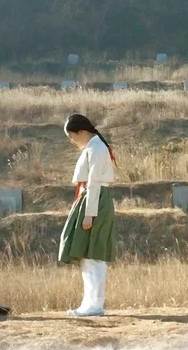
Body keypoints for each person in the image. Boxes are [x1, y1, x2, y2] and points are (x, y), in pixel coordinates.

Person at [58, 114, 118, 317]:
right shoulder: (93, 147)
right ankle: (90, 303)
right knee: (87, 255)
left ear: (82, 132)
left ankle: (95, 304)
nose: (72, 141)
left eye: (72, 136)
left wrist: (89, 214)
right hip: (91, 199)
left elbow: (93, 183)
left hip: (95, 200)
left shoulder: (96, 148)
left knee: (94, 255)